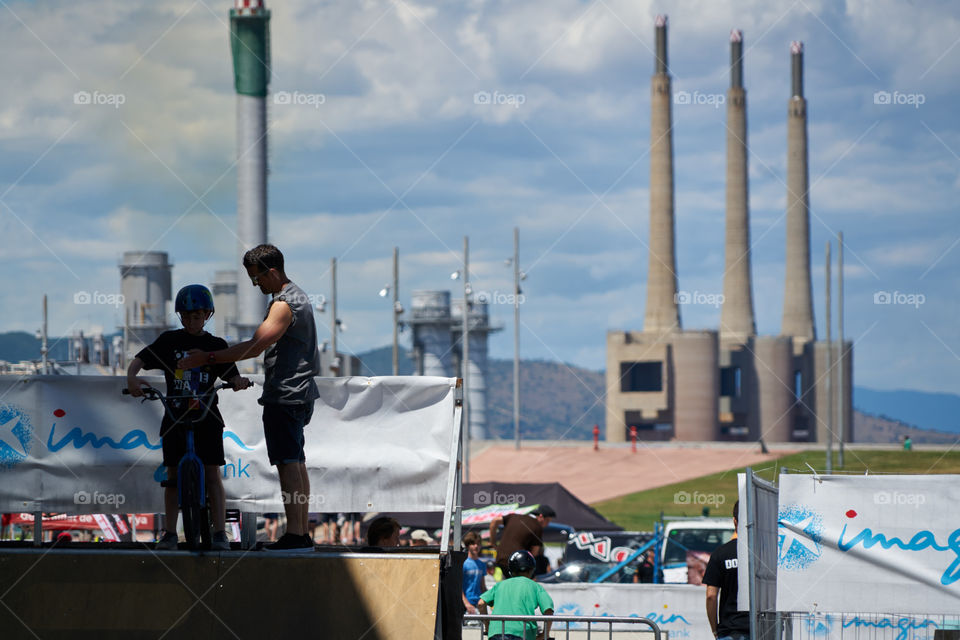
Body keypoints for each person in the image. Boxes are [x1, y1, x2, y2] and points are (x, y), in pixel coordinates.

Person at [178, 245, 320, 552]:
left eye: (257, 279)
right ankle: (301, 533)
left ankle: (296, 534)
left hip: (286, 392)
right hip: (299, 391)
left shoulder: (284, 304)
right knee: (297, 461)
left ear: (271, 272)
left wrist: (207, 358)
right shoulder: (299, 296)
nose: (257, 286)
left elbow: (255, 346)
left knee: (287, 462)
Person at [127, 284, 251, 551]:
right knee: (172, 476)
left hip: (207, 416)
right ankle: (170, 533)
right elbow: (139, 360)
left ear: (207, 315)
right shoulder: (169, 342)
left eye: (198, 316)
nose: (192, 321)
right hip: (175, 414)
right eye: (187, 316)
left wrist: (239, 381)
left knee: (212, 474)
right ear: (180, 316)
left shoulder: (215, 346)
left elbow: (231, 374)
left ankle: (220, 532)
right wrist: (132, 378)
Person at [477, 550, 553, 640]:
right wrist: (545, 634)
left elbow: (481, 603)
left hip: (496, 633)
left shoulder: (500, 585)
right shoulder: (535, 586)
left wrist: (488, 626)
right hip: (522, 633)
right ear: (531, 569)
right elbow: (548, 610)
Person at [703, 500, 750, 640]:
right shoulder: (763, 553)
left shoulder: (720, 554)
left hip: (730, 630)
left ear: (735, 521)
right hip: (760, 628)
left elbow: (711, 596)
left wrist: (715, 629)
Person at [489, 505, 556, 581]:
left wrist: (493, 542)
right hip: (517, 564)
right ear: (541, 516)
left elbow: (494, 521)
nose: (547, 524)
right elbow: (534, 553)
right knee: (531, 582)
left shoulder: (513, 517)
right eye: (547, 521)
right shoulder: (537, 527)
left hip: (500, 559)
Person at [461, 531, 486, 615]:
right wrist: (467, 604)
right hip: (465, 605)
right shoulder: (463, 563)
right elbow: (458, 587)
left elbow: (483, 586)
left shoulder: (482, 564)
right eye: (473, 544)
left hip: (479, 604)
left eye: (478, 544)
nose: (476, 546)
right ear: (468, 546)